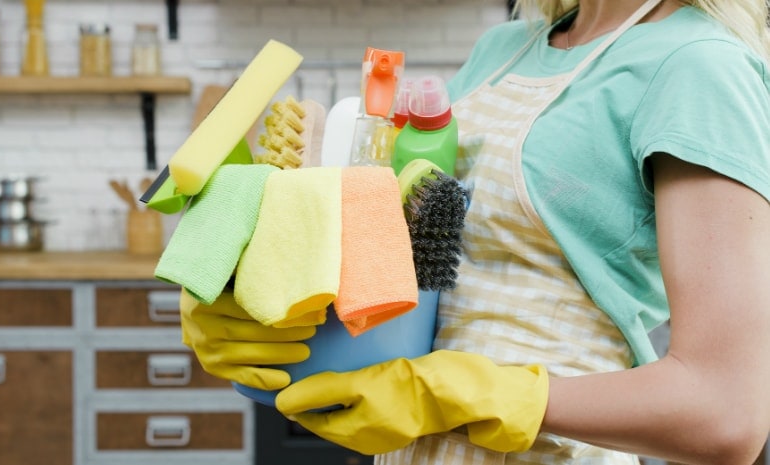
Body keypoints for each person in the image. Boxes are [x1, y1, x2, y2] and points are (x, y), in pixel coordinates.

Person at [178, 0, 770, 463]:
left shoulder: (699, 67)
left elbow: (726, 416)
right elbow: (420, 271)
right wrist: (256, 296)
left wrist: (469, 393)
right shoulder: (504, 50)